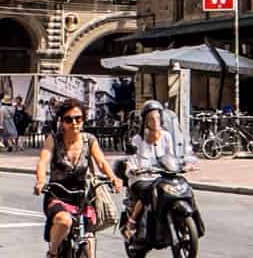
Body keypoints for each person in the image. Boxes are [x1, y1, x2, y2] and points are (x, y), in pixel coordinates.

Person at [34, 97, 121, 258]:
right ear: (62, 122)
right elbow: (43, 161)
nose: (74, 123)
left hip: (83, 195)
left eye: (78, 118)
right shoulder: (54, 139)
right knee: (64, 221)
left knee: (89, 235)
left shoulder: (90, 140)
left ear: (83, 120)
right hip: (58, 194)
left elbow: (101, 162)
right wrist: (40, 181)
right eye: (68, 119)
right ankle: (52, 252)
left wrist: (113, 178)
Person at [122, 101, 188, 240]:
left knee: (182, 185)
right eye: (151, 118)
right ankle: (132, 222)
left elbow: (171, 156)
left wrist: (182, 164)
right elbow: (131, 161)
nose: (155, 121)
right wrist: (134, 170)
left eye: (158, 117)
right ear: (146, 121)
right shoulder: (137, 139)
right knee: (148, 191)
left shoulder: (166, 136)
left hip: (161, 176)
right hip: (142, 178)